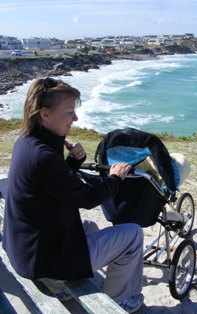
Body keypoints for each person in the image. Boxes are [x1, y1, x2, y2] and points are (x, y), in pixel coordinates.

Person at [2, 77, 144, 313]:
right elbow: (87, 198)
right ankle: (120, 301)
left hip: (25, 249)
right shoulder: (43, 155)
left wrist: (74, 162)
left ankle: (66, 281)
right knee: (132, 234)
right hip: (43, 261)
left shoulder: (27, 142)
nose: (75, 119)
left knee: (89, 227)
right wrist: (115, 177)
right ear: (45, 114)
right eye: (69, 112)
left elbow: (54, 185)